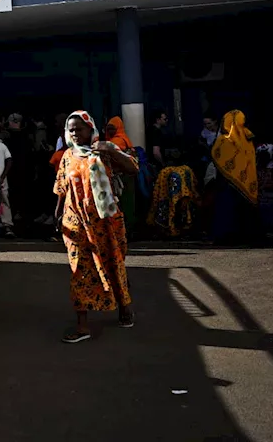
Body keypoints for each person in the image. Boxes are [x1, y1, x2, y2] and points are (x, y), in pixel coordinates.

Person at [55, 111, 137, 343]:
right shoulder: (67, 155)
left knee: (113, 262)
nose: (74, 133)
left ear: (91, 129)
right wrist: (58, 211)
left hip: (106, 223)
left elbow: (133, 168)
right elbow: (62, 185)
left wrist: (111, 150)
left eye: (79, 129)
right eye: (71, 129)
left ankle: (124, 307)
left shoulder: (105, 151)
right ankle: (83, 325)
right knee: (79, 270)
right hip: (76, 222)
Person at [210, 110, 259, 243]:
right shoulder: (248, 137)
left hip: (227, 184)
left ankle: (227, 236)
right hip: (247, 184)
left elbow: (217, 157)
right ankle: (246, 236)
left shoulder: (223, 140)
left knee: (227, 209)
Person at [149, 149, 198, 238]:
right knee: (179, 204)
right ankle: (182, 226)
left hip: (174, 186)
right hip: (178, 186)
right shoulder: (186, 170)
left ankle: (172, 227)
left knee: (174, 204)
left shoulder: (165, 172)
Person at [104, 116, 139, 231]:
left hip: (122, 177)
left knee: (124, 203)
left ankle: (126, 229)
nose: (110, 131)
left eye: (113, 128)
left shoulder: (117, 141)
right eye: (108, 128)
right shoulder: (123, 139)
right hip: (126, 176)